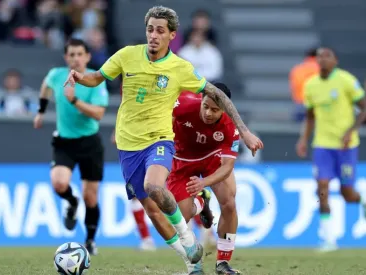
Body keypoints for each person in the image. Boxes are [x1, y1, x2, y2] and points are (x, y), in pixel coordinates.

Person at [63, 6, 263, 274]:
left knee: (156, 187)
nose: (153, 35)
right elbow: (97, 78)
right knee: (153, 209)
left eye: (160, 31)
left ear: (171, 35)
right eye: (150, 29)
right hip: (128, 144)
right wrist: (78, 77)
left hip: (160, 140)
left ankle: (195, 242)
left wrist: (245, 130)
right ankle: (190, 259)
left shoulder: (181, 68)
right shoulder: (127, 55)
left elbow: (219, 95)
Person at [33, 39, 109, 255]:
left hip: (89, 142)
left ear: (87, 57)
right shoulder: (57, 75)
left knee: (91, 197)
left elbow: (99, 113)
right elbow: (46, 86)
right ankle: (71, 201)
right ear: (66, 58)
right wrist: (41, 110)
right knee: (58, 183)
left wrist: (74, 101)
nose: (75, 58)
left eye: (79, 54)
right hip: (65, 142)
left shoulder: (95, 79)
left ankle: (91, 240)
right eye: (71, 54)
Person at [296, 47, 366, 252]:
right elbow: (310, 116)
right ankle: (328, 239)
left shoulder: (346, 81)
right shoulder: (310, 85)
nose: (322, 59)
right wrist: (303, 139)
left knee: (347, 193)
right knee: (322, 187)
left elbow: (365, 107)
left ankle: (363, 197)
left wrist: (351, 131)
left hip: (346, 146)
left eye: (327, 56)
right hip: (322, 145)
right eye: (319, 56)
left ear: (335, 60)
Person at [167, 83, 241, 274]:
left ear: (225, 108)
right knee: (183, 217)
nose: (208, 112)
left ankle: (222, 263)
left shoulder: (230, 126)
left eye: (215, 110)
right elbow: (160, 115)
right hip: (181, 160)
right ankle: (201, 203)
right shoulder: (183, 104)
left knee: (229, 203)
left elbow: (227, 167)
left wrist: (204, 182)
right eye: (205, 106)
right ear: (201, 100)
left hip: (212, 159)